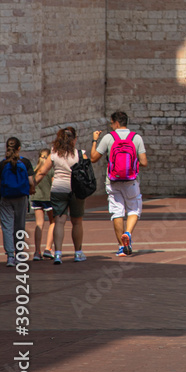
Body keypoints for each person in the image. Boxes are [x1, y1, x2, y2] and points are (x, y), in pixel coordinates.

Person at [90, 111, 148, 256]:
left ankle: (121, 247)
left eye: (111, 123)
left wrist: (95, 140)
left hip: (113, 180)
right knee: (134, 210)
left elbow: (93, 158)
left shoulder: (109, 137)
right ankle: (128, 233)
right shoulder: (136, 138)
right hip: (131, 180)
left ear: (116, 123)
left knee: (117, 212)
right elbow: (144, 162)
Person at [34, 127, 88, 264]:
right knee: (77, 222)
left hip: (58, 189)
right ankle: (78, 252)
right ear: (74, 140)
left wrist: (32, 185)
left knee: (59, 222)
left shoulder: (54, 154)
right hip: (75, 190)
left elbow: (42, 172)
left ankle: (58, 253)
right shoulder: (80, 154)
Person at [1, 138, 35, 267]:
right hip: (21, 196)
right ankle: (19, 254)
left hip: (6, 197)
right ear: (19, 148)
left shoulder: (2, 164)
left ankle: (10, 256)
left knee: (7, 226)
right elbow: (31, 181)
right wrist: (32, 189)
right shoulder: (25, 162)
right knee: (20, 225)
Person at [31, 147, 55, 260]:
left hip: (36, 198)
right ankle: (48, 248)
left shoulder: (35, 170)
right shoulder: (50, 170)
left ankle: (37, 251)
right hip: (49, 198)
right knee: (53, 222)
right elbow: (54, 184)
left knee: (39, 224)